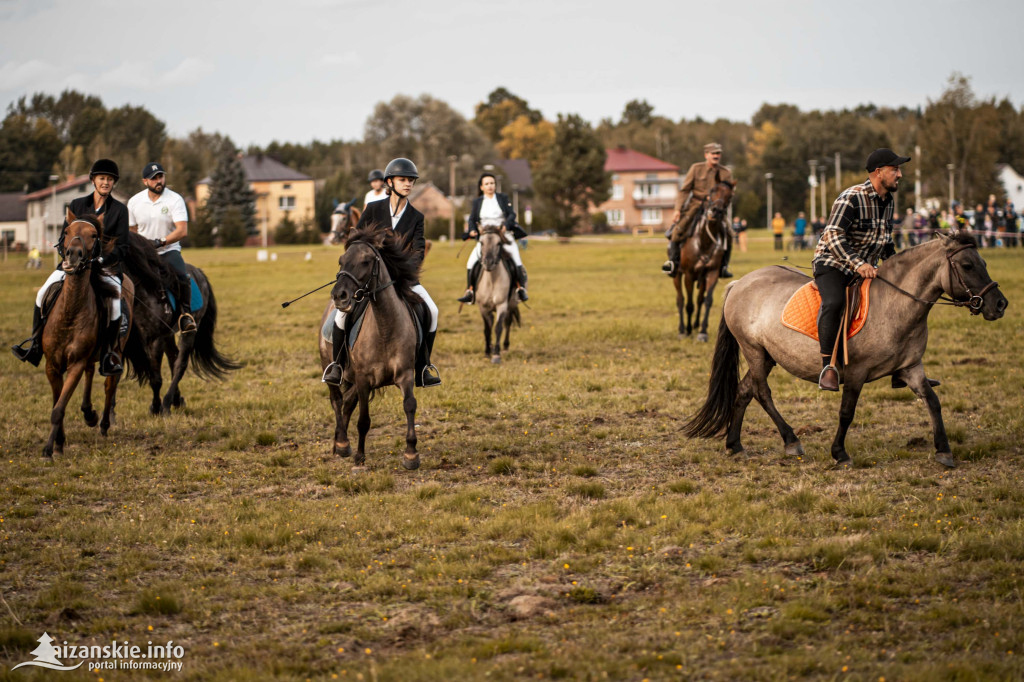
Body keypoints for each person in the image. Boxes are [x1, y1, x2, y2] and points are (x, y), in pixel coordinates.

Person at [322, 157, 441, 388]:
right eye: (402, 179)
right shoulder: (374, 209)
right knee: (341, 314)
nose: (407, 184)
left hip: (403, 280)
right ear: (390, 182)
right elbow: (355, 240)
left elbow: (417, 251)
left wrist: (404, 273)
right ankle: (336, 364)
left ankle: (423, 367)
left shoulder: (416, 217)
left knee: (433, 311)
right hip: (369, 278)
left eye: (411, 181)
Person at [11, 159, 130, 375]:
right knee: (41, 294)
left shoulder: (120, 210)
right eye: (102, 178)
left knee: (115, 305)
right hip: (72, 265)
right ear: (93, 180)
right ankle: (35, 345)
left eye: (110, 180)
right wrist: (65, 257)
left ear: (113, 183)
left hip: (105, 268)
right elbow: (63, 238)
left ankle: (107, 355)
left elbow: (123, 247)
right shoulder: (77, 204)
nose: (106, 182)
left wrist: (101, 260)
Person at [813, 148, 908, 391]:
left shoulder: (888, 200)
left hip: (867, 269)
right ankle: (828, 367)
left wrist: (898, 267)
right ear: (879, 172)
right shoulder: (851, 197)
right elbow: (832, 235)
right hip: (833, 263)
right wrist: (859, 264)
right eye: (895, 169)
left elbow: (884, 241)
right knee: (834, 303)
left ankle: (901, 367)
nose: (899, 175)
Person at [127, 162, 196, 335]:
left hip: (168, 250)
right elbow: (131, 231)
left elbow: (182, 230)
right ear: (145, 181)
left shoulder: (175, 199)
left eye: (160, 177)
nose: (158, 181)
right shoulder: (134, 202)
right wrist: (141, 246)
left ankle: (185, 314)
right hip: (143, 253)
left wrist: (161, 241)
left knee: (181, 275)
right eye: (154, 179)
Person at [663, 142, 735, 277]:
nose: (716, 156)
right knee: (677, 230)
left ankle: (723, 267)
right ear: (706, 155)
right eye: (713, 153)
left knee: (729, 233)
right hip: (695, 205)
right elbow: (684, 190)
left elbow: (729, 193)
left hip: (715, 210)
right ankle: (672, 263)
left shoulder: (725, 173)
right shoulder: (696, 169)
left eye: (718, 153)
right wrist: (677, 209)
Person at [456, 172, 529, 304]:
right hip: (485, 237)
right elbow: (472, 219)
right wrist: (472, 230)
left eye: (492, 183)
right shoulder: (477, 202)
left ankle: (520, 289)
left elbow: (512, 214)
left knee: (517, 259)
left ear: (495, 185)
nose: (490, 186)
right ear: (482, 187)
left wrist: (506, 225)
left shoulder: (502, 198)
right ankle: (470, 291)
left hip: (502, 235)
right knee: (470, 262)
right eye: (487, 184)